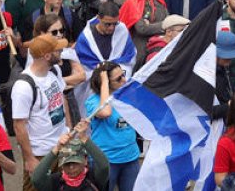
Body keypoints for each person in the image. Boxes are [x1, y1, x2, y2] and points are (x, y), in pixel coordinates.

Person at [13, 33, 72, 187]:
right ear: (47, 56)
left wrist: (69, 130)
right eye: (58, 50)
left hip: (62, 146)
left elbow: (62, 99)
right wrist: (30, 159)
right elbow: (19, 125)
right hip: (40, 154)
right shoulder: (23, 86)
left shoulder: (55, 70)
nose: (61, 52)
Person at [84, 62, 140, 191]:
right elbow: (106, 112)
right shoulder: (93, 101)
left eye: (123, 74)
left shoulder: (127, 96)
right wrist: (104, 83)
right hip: (106, 161)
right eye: (118, 79)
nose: (124, 80)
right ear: (106, 83)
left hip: (130, 157)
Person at [71, 1, 136, 106]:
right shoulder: (86, 38)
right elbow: (83, 67)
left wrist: (116, 74)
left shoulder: (122, 30)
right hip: (94, 88)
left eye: (115, 23)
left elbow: (129, 57)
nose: (112, 28)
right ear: (98, 18)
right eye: (107, 24)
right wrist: (103, 76)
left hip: (119, 81)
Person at [29, 122, 110, 191]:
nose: (71, 167)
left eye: (75, 162)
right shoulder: (56, 182)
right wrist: (56, 149)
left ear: (85, 160)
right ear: (61, 165)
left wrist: (84, 138)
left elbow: (104, 166)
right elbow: (36, 179)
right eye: (67, 164)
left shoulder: (93, 178)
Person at [117, 0, 167, 70]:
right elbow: (141, 28)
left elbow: (168, 23)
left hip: (160, 45)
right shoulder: (134, 2)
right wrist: (163, 25)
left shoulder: (160, 1)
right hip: (141, 47)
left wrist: (152, 26)